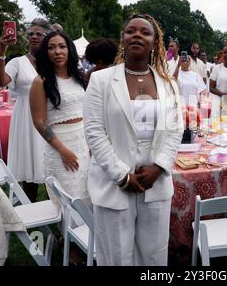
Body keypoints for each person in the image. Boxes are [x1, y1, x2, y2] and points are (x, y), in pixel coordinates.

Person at [83, 14, 183, 266]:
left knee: (154, 255)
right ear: (123, 39)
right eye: (131, 31)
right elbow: (94, 130)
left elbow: (175, 129)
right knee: (116, 256)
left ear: (154, 42)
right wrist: (121, 175)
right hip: (113, 182)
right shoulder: (101, 80)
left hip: (155, 183)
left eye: (145, 32)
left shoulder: (168, 84)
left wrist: (158, 167)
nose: (137, 35)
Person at [0, 18, 52, 202]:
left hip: (50, 115)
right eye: (31, 34)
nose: (34, 36)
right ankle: (31, 208)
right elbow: (0, 81)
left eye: (39, 34)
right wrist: (2, 50)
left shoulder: (52, 60)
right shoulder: (18, 62)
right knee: (30, 165)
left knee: (54, 165)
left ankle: (59, 209)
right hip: (26, 119)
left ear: (47, 37)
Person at [30, 30, 90, 206]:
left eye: (62, 46)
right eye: (51, 47)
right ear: (45, 53)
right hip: (60, 147)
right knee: (70, 200)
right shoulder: (40, 82)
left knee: (87, 194)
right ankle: (67, 233)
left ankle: (87, 233)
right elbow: (39, 122)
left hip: (83, 143)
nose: (57, 51)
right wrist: (63, 151)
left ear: (69, 50)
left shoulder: (79, 78)